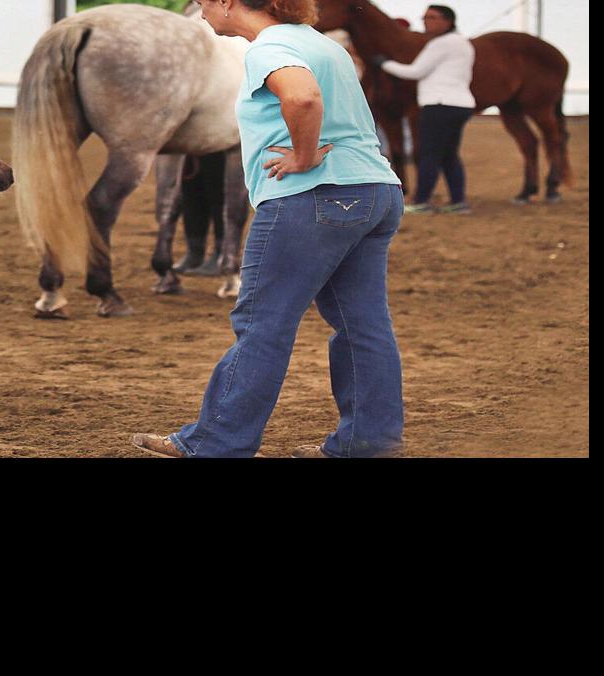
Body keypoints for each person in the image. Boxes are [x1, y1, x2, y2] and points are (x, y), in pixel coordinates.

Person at [132, 0, 406, 458]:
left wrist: (301, 155)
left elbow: (301, 97)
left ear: (227, 3)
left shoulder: (269, 46)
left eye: (202, 2)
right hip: (375, 190)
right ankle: (368, 442)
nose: (198, 9)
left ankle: (216, 444)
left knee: (262, 324)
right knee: (364, 325)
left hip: (313, 196)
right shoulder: (322, 45)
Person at [363, 5, 475, 214]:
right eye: (425, 17)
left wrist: (384, 63)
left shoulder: (440, 44)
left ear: (447, 21)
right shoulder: (462, 42)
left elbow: (415, 71)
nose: (426, 21)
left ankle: (421, 200)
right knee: (449, 155)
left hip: (439, 104)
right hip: (461, 104)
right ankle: (458, 201)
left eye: (432, 17)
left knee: (429, 154)